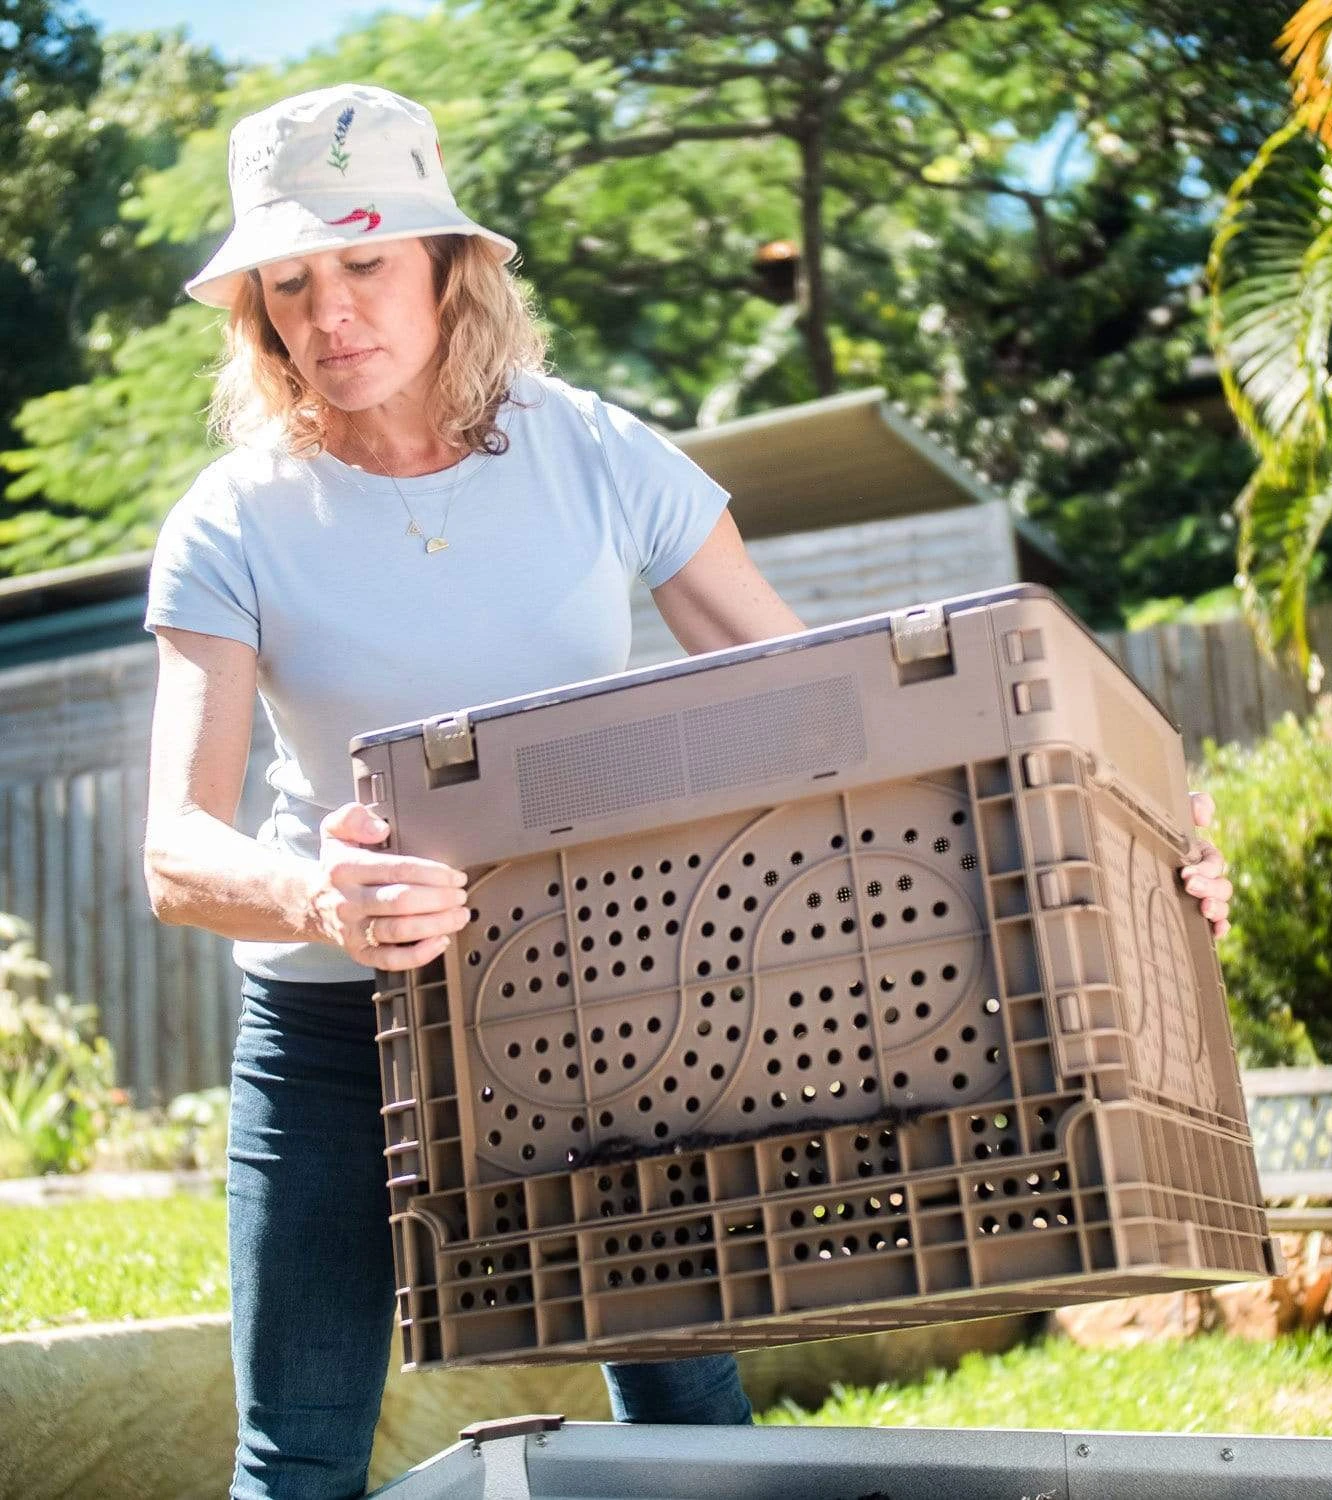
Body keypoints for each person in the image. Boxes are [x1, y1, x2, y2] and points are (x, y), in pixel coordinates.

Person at [141, 83, 1234, 1500]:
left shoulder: (595, 452)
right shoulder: (232, 521)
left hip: (602, 1013)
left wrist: (1130, 847)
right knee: (295, 1460)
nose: (329, 312)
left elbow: (827, 713)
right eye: (288, 283)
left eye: (364, 262)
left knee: (691, 1435)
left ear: (447, 266)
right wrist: (315, 895)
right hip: (334, 1037)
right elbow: (175, 851)